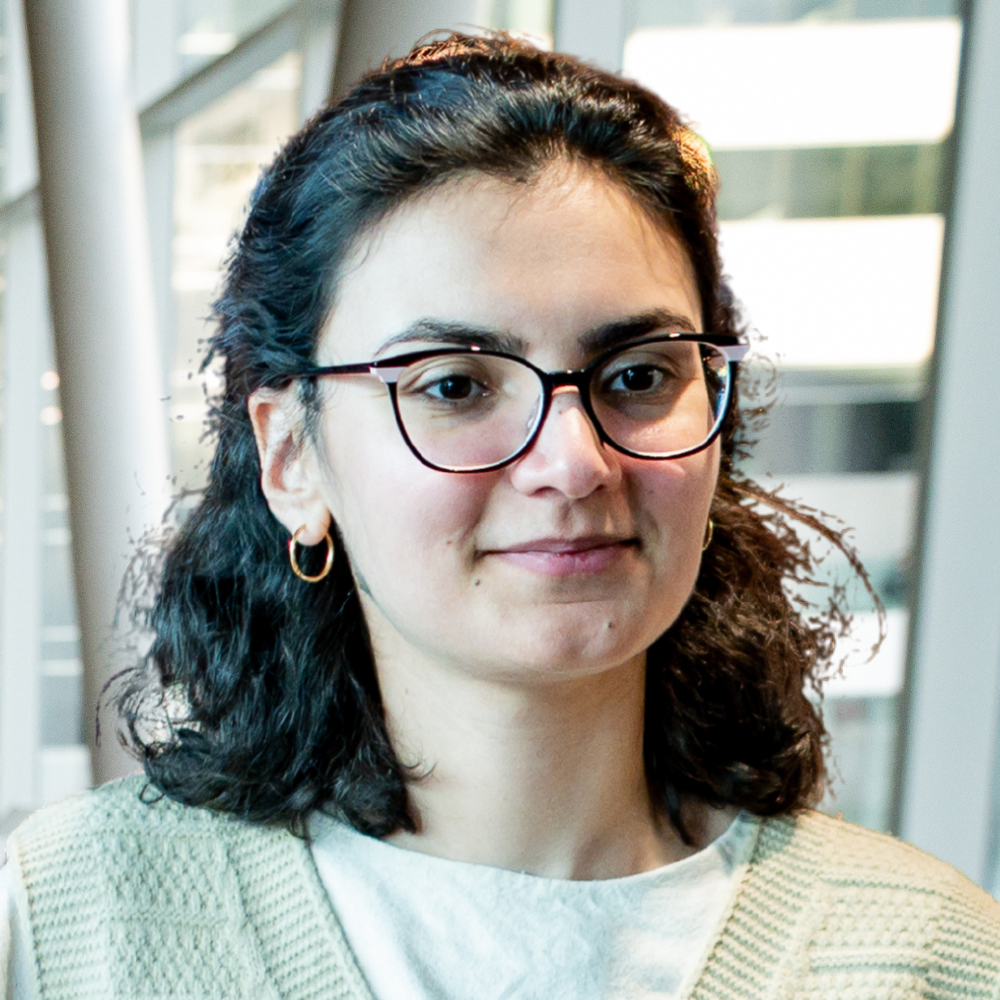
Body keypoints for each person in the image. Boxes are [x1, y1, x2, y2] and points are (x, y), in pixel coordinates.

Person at [2, 32, 999, 1000]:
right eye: (453, 386)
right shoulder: (59, 926)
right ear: (292, 457)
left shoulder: (933, 957)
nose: (572, 461)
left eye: (638, 375)